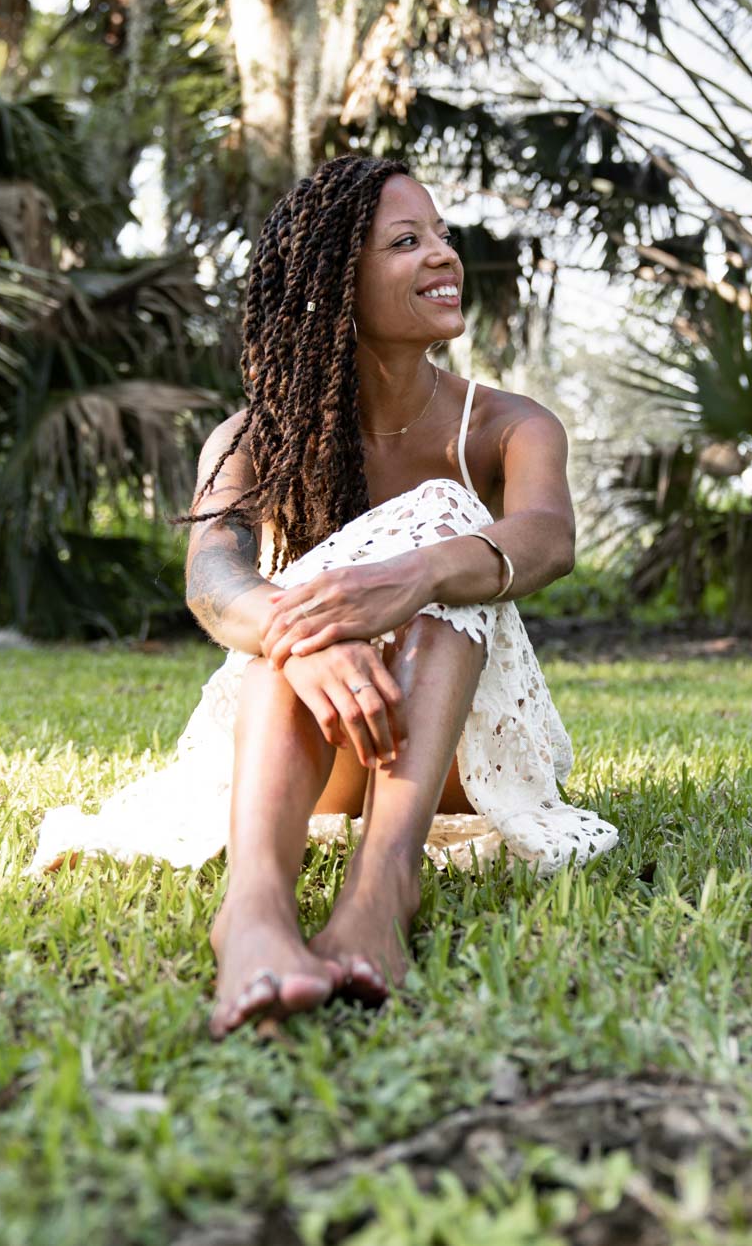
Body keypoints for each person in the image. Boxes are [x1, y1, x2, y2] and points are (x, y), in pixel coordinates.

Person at [31, 153, 618, 1036]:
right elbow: (214, 579)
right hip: (302, 756)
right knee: (290, 616)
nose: (444, 258)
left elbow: (546, 538)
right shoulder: (252, 438)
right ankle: (256, 910)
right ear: (336, 277)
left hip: (457, 766)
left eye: (444, 238)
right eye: (407, 242)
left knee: (440, 519)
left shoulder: (510, 425)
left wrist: (412, 574)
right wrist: (309, 632)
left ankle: (383, 889)